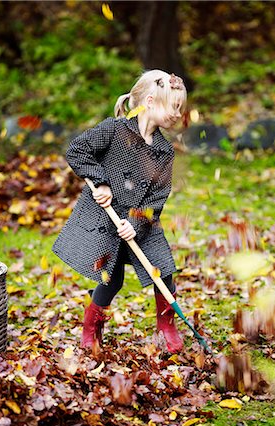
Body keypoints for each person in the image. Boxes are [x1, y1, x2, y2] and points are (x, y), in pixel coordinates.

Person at [53, 69, 187, 353]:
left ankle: (166, 326)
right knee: (111, 278)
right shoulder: (114, 130)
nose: (178, 113)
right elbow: (78, 150)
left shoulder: (164, 151)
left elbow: (159, 194)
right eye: (173, 106)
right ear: (150, 101)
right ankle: (91, 328)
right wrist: (99, 181)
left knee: (163, 269)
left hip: (142, 222)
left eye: (180, 107)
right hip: (107, 219)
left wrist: (136, 224)